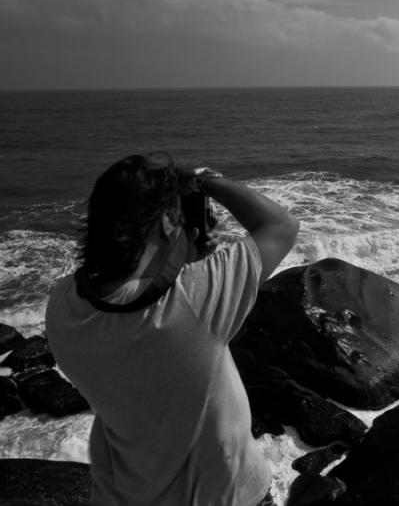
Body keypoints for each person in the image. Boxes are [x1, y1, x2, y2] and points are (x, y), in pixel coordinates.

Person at [46, 154, 299, 505]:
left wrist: (180, 258)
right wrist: (204, 180)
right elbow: (281, 226)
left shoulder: (63, 306)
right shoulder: (194, 298)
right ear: (167, 222)